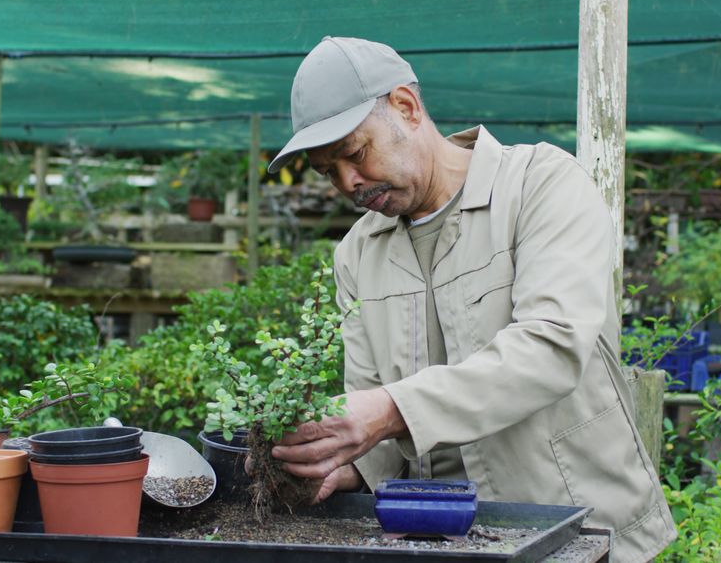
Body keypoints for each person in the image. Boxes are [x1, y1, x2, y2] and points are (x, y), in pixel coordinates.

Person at [265, 36, 675, 562]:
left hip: (578, 534)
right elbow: (376, 424)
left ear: (406, 107)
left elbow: (550, 350)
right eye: (328, 171)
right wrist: (343, 463)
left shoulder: (540, 186)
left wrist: (390, 410)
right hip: (439, 541)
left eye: (354, 153)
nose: (348, 182)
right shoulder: (357, 255)